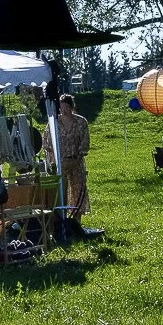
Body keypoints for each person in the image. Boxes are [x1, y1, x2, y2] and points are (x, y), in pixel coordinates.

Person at [53, 94, 93, 238]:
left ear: (72, 107)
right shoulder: (55, 122)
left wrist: (78, 156)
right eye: (62, 108)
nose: (64, 111)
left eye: (67, 108)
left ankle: (77, 220)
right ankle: (61, 221)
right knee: (61, 191)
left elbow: (85, 141)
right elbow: (48, 140)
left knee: (78, 188)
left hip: (76, 160)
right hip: (61, 161)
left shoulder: (81, 122)